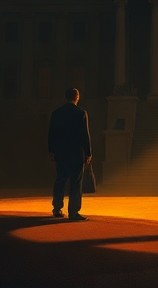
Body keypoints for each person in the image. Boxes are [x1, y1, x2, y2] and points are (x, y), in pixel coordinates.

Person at [47, 87, 92, 220]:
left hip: (61, 152)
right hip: (76, 153)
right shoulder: (81, 113)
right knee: (76, 183)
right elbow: (85, 135)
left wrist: (51, 150)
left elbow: (51, 134)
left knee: (60, 180)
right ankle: (73, 212)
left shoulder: (56, 113)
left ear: (65, 97)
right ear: (77, 97)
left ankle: (57, 208)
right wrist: (88, 153)